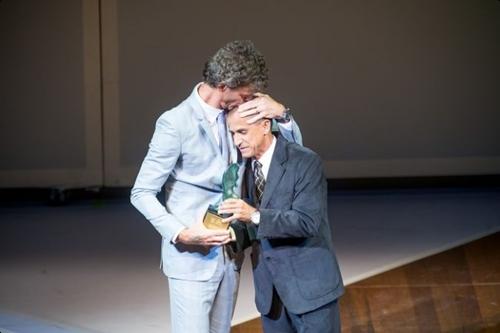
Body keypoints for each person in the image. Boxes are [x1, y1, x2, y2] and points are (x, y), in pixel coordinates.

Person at [130, 40, 302, 333]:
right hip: (191, 258)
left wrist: (281, 113)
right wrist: (180, 234)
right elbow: (141, 193)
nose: (250, 101)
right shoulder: (175, 123)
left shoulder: (241, 114)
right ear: (224, 85)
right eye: (245, 94)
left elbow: (295, 154)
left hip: (231, 253)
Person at [219, 108, 344, 333]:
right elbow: (253, 227)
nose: (237, 140)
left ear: (265, 126)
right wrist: (230, 234)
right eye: (233, 133)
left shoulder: (305, 161)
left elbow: (306, 221)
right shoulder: (247, 167)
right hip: (271, 295)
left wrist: (254, 215)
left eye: (243, 131)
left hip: (310, 291)